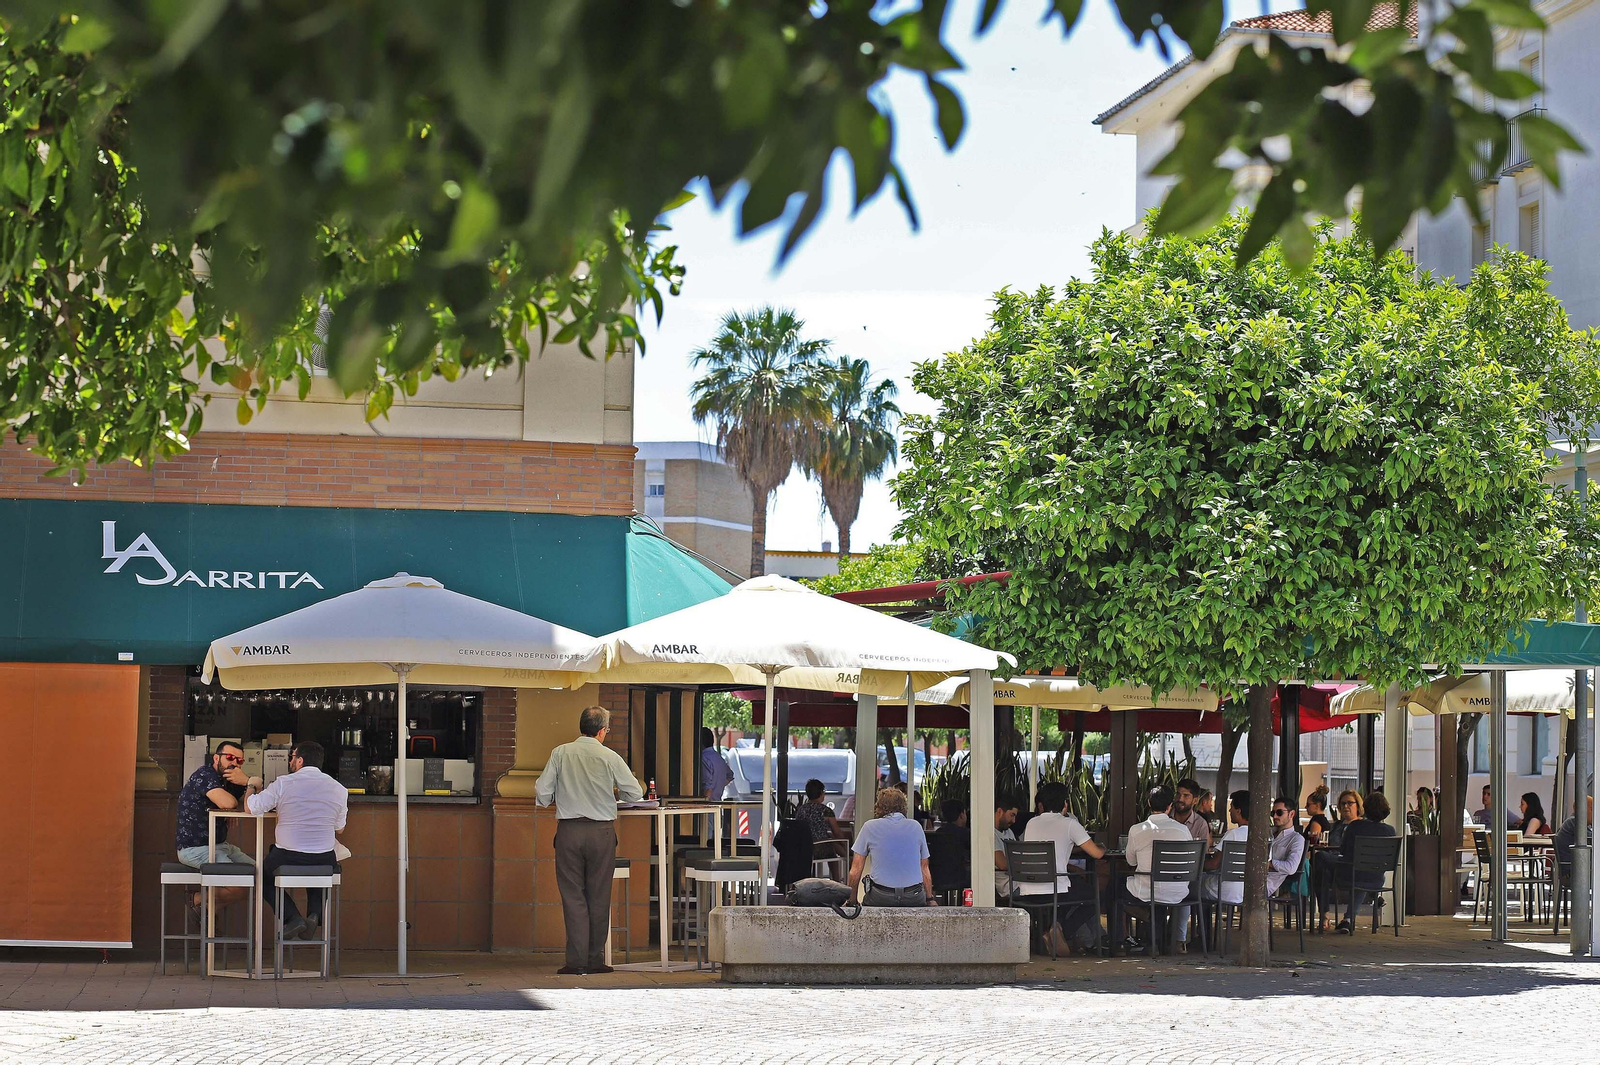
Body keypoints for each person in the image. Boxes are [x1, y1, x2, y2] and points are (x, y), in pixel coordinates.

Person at [535, 706, 644, 975]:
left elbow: (542, 790)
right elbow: (634, 791)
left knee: (573, 896)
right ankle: (594, 959)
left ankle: (575, 961)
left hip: (569, 831)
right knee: (599, 895)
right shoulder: (609, 756)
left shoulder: (560, 752)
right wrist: (616, 794)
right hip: (601, 832)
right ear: (603, 730)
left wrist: (552, 799)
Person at [245, 741, 347, 941]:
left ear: (300, 760)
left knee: (262, 876)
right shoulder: (339, 789)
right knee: (318, 868)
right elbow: (339, 828)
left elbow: (251, 808)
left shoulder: (283, 783)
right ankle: (314, 914)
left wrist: (250, 787)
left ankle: (292, 917)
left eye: (292, 757)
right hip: (324, 859)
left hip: (287, 856)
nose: (290, 761)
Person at [1021, 781, 1105, 954]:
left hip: (1028, 890)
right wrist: (1102, 848)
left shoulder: (1031, 823)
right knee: (1092, 894)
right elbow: (1096, 854)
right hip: (1056, 889)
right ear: (1065, 804)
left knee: (1070, 886)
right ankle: (1059, 929)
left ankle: (1053, 928)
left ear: (1042, 804)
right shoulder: (1069, 824)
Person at [174, 740, 259, 908]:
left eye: (239, 761)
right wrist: (249, 783)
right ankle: (197, 900)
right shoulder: (205, 775)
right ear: (216, 758)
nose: (234, 763)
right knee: (240, 885)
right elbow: (228, 803)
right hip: (194, 849)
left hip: (220, 845)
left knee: (259, 874)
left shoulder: (230, 781)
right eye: (229, 758)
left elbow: (257, 803)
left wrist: (248, 784)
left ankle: (203, 910)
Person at [1114, 784, 1195, 953]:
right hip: (1178, 891)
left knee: (1114, 889)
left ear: (1149, 804)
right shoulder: (1183, 830)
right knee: (1156, 894)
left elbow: (1130, 861)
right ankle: (1154, 940)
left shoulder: (1136, 830)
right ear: (1170, 806)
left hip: (1147, 890)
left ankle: (1119, 942)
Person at [848, 787, 934, 907]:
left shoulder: (869, 827)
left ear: (879, 806)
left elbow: (856, 869)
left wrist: (851, 900)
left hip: (881, 895)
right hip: (913, 896)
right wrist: (930, 899)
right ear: (904, 806)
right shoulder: (916, 827)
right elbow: (924, 867)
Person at [1331, 791, 1397, 933]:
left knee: (1323, 858)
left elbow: (1344, 851)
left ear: (1365, 809)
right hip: (1377, 880)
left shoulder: (1355, 826)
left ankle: (1336, 917)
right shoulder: (1390, 831)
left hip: (1351, 877)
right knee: (1364, 874)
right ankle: (1350, 917)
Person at [1202, 790, 1250, 905]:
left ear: (1238, 811)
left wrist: (1196, 864)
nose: (1229, 810)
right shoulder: (1263, 837)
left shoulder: (1233, 834)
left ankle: (1201, 923)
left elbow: (1214, 864)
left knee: (1189, 886)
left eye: (1231, 807)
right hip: (1247, 892)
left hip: (1223, 891)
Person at [1554, 792, 1594, 869]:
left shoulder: (1573, 822)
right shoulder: (1574, 822)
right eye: (1592, 809)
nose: (1596, 813)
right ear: (1582, 809)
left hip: (1578, 867)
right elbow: (1593, 840)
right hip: (1574, 870)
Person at [994, 795, 1021, 898]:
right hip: (1009, 887)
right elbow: (1002, 864)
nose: (1014, 820)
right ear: (1000, 811)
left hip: (1020, 882)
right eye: (1012, 815)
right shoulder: (990, 834)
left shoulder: (1009, 831)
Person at [1172, 778, 1212, 847]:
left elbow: (1203, 853)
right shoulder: (1165, 818)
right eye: (1178, 794)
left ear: (1195, 800)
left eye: (1186, 796)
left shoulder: (1200, 824)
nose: (1180, 799)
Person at [699, 728, 733, 801]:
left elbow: (708, 789)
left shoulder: (704, 759)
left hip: (707, 807)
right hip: (717, 805)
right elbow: (730, 776)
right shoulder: (719, 758)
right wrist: (718, 785)